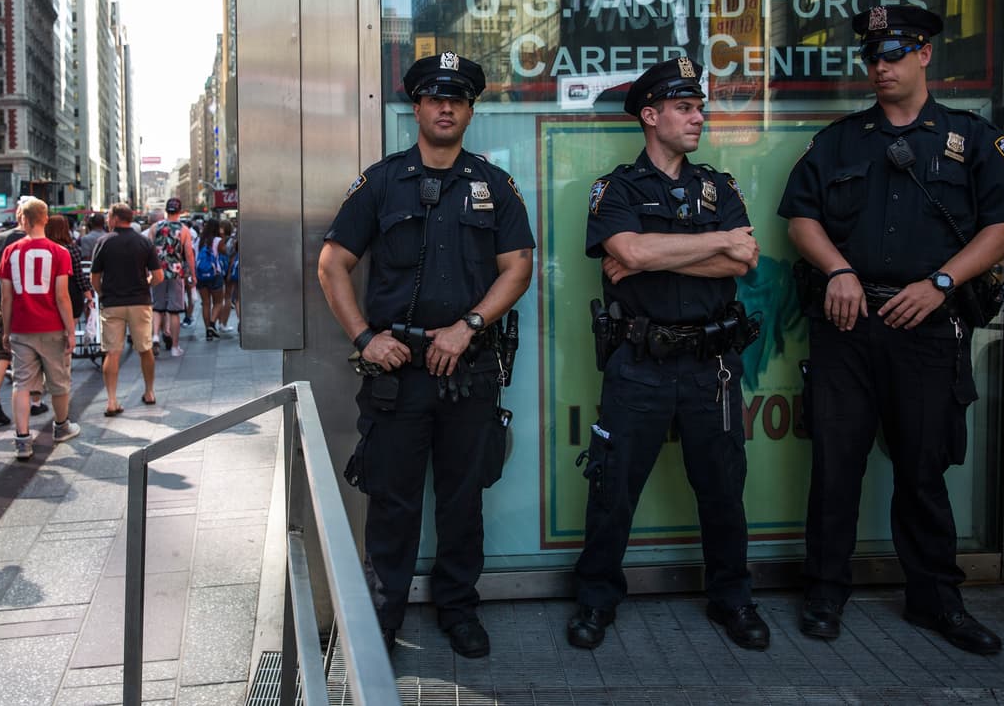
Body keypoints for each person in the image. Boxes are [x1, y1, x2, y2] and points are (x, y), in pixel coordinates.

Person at [777, 5, 1004, 655]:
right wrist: (837, 269)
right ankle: (825, 592)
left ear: (924, 56)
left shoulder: (972, 139)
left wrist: (941, 282)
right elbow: (800, 217)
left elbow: (1002, 227)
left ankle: (936, 599)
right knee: (836, 466)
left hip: (925, 326)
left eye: (893, 54)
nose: (880, 67)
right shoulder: (839, 140)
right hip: (848, 322)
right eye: (872, 57)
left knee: (922, 468)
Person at [317, 51, 534, 658]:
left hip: (469, 370)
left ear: (470, 110)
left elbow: (519, 267)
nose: (446, 107)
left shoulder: (493, 183)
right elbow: (333, 264)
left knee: (464, 498)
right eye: (435, 97)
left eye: (457, 99)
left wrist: (468, 326)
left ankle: (459, 608)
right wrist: (365, 338)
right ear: (416, 107)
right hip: (398, 373)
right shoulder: (383, 181)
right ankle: (381, 619)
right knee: (392, 500)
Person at [568, 57, 767, 651]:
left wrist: (657, 253)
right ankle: (596, 600)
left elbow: (744, 260)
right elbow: (629, 249)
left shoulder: (720, 185)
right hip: (640, 364)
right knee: (613, 488)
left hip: (714, 363)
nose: (698, 117)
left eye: (699, 107)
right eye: (685, 108)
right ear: (650, 116)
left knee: (724, 488)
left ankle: (732, 599)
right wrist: (712, 243)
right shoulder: (617, 189)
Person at [0, 198, 79, 459]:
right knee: (59, 381)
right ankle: (61, 426)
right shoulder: (59, 252)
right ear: (45, 218)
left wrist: (6, 330)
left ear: (22, 219)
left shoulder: (10, 252)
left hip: (21, 327)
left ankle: (22, 438)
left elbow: (6, 297)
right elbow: (62, 296)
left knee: (21, 383)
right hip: (53, 326)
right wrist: (70, 329)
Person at [90, 202, 162, 414]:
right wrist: (144, 284)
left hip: (112, 304)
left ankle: (112, 401)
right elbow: (158, 276)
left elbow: (94, 279)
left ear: (114, 219)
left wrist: (103, 293)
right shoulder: (143, 242)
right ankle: (149, 392)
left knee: (112, 353)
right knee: (145, 349)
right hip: (140, 302)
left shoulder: (103, 242)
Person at [0, 202, 50, 426]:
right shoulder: (44, 240)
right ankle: (35, 400)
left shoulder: (2, 239)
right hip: (38, 305)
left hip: (8, 302)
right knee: (38, 355)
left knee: (3, 355)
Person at [149, 197, 195, 357]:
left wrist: (147, 271)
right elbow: (189, 254)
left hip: (157, 271)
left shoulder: (155, 227)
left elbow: (149, 251)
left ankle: (155, 335)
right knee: (174, 311)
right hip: (176, 272)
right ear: (180, 211)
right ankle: (175, 347)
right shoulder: (184, 230)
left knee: (157, 306)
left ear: (167, 211)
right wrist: (193, 276)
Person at [46, 214, 93, 326]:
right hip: (71, 294)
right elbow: (79, 275)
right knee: (68, 331)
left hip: (47, 294)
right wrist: (89, 296)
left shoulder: (44, 249)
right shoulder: (71, 249)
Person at [196, 217, 226, 340]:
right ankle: (212, 324)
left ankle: (208, 331)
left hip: (201, 275)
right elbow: (225, 252)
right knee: (218, 302)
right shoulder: (218, 240)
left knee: (206, 304)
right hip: (215, 274)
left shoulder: (198, 240)